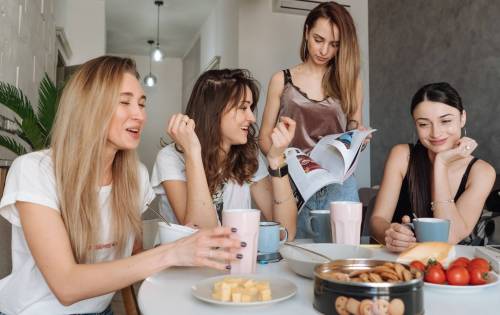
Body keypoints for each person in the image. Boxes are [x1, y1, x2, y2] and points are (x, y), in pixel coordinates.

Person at [0, 56, 242, 315]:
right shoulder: (34, 170)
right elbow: (66, 286)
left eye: (141, 103)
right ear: (89, 107)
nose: (139, 115)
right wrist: (173, 253)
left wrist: (193, 151)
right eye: (124, 102)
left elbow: (186, 238)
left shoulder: (134, 177)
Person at [258, 1, 368, 238]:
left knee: (342, 260)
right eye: (319, 40)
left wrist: (359, 140)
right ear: (306, 31)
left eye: (334, 45)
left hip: (339, 185)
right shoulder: (282, 80)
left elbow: (352, 127)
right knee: (292, 253)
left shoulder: (351, 83)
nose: (324, 51)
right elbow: (264, 138)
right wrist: (288, 166)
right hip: (294, 185)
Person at [151, 69, 299, 238]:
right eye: (243, 107)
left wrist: (276, 159)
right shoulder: (170, 158)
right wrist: (192, 153)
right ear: (214, 111)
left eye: (250, 107)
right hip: (185, 264)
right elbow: (203, 236)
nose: (252, 118)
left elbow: (286, 233)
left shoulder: (248, 155)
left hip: (232, 262)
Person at [370, 82, 495, 252]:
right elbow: (378, 219)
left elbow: (449, 236)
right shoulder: (402, 156)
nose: (436, 133)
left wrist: (441, 164)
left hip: (455, 269)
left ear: (462, 117)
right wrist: (389, 234)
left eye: (445, 121)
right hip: (401, 263)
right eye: (423, 124)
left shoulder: (482, 172)